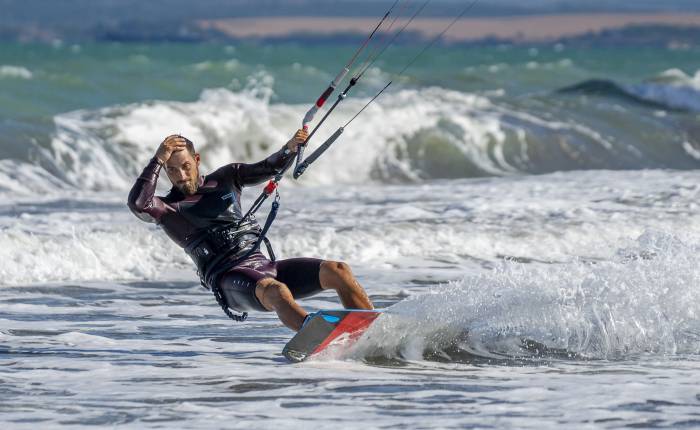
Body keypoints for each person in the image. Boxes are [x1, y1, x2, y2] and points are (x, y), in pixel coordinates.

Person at [127, 130, 373, 331]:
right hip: (228, 278)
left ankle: (370, 328)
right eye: (171, 169)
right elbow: (138, 203)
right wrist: (157, 159)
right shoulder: (167, 209)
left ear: (197, 160)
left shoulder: (226, 177)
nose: (180, 175)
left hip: (263, 266)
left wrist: (289, 147)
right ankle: (315, 336)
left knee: (337, 270)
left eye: (186, 166)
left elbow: (267, 167)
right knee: (277, 291)